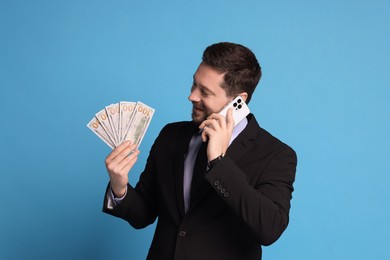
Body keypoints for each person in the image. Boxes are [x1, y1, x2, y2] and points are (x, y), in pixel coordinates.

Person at [103, 42, 297, 260]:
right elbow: (143, 215)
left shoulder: (276, 155)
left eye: (205, 92)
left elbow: (269, 229)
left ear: (238, 101)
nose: (192, 96)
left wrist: (219, 163)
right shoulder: (171, 136)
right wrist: (119, 187)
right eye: (194, 85)